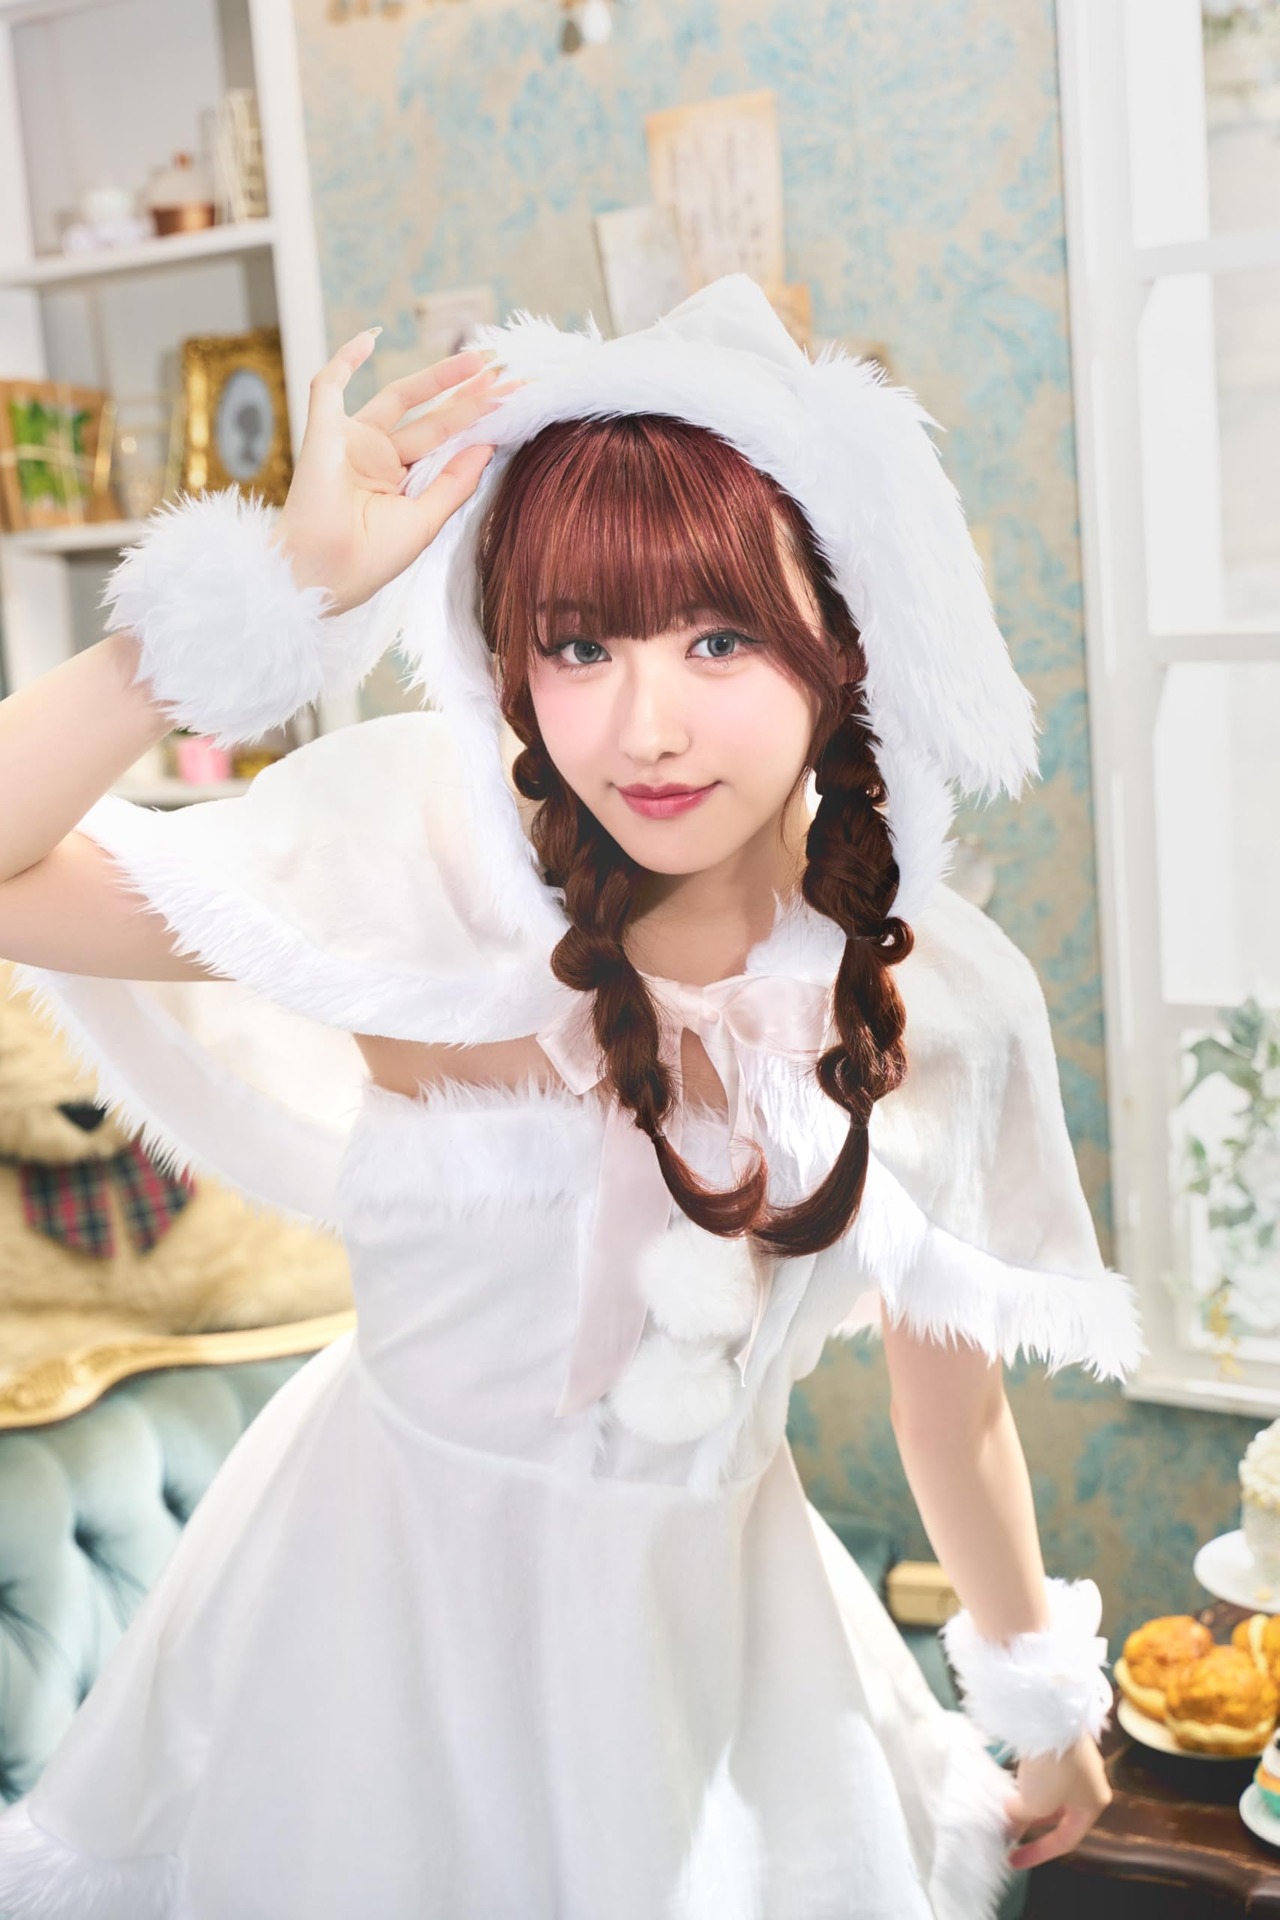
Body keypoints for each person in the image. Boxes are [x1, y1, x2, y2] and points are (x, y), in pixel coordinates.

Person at [0, 274, 1143, 1919]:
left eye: (720, 638)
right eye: (580, 645)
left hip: (718, 1679)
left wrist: (1043, 1702)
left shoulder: (936, 999)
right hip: (376, 1659)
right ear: (512, 668)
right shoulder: (427, 873)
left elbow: (948, 1410)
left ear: (841, 645)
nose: (646, 726)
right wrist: (268, 596)